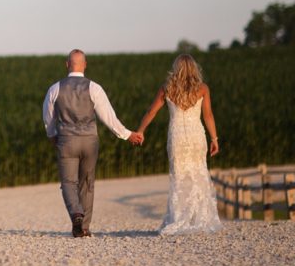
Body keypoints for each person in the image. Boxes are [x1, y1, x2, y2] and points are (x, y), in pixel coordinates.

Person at [43, 49, 144, 237]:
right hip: (90, 141)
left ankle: (76, 214)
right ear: (85, 64)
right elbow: (108, 117)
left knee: (68, 182)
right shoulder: (94, 88)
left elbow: (48, 118)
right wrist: (127, 134)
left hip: (66, 140)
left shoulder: (55, 88)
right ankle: (85, 227)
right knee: (87, 182)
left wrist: (53, 136)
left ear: (67, 65)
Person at [134, 54, 222, 235]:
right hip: (197, 136)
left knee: (179, 177)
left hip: (177, 138)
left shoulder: (167, 88)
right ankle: (199, 218)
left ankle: (180, 218)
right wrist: (214, 139)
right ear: (194, 69)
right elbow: (208, 116)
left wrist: (140, 130)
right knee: (198, 174)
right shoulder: (203, 89)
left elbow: (151, 111)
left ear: (176, 69)